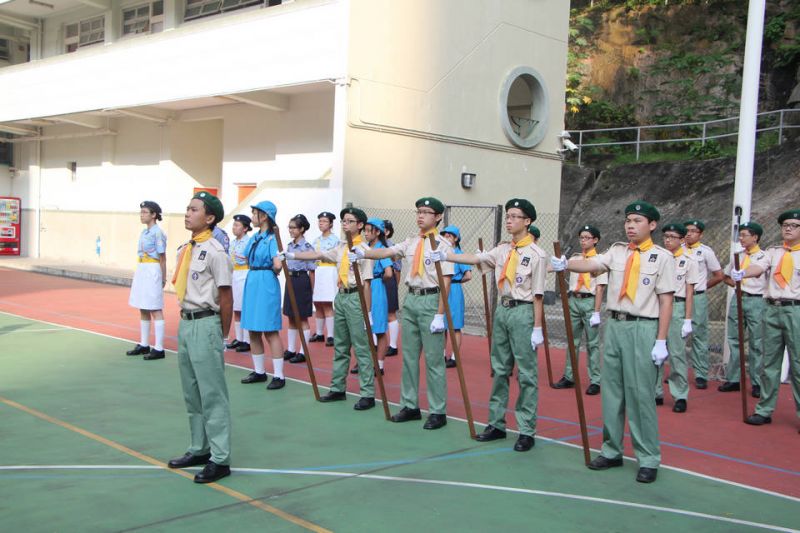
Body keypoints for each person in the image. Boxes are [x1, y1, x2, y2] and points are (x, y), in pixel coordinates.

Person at [551, 201, 674, 483]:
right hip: (615, 325)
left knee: (640, 394)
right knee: (613, 392)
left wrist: (661, 340)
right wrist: (566, 264)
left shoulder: (662, 257)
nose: (630, 225)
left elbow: (666, 301)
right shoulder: (617, 251)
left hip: (643, 326)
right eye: (628, 220)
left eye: (637, 221)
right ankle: (611, 450)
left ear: (652, 225)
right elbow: (592, 263)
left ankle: (648, 457)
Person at [429, 199, 545, 451]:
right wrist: (447, 255)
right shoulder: (503, 250)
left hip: (523, 311)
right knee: (500, 369)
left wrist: (537, 328)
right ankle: (496, 423)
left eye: (515, 216)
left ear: (527, 221)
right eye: (508, 216)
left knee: (526, 374)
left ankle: (526, 430)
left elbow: (538, 295)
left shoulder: (537, 255)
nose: (509, 220)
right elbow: (475, 258)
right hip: (502, 309)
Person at [357, 197, 454, 430]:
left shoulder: (443, 246)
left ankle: (437, 410)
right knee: (409, 357)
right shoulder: (411, 241)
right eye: (418, 211)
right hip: (411, 299)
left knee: (433, 360)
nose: (421, 216)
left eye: (426, 212)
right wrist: (362, 253)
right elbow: (387, 251)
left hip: (431, 299)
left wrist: (440, 314)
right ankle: (410, 405)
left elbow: (446, 281)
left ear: (438, 217)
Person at [167, 191, 233, 484]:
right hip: (186, 322)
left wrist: (222, 335)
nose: (187, 213)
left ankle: (220, 458)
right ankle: (199, 448)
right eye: (187, 208)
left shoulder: (216, 252)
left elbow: (226, 297)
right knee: (191, 392)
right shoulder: (187, 248)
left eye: (194, 209)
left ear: (209, 218)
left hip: (206, 323)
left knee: (212, 394)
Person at [283, 207, 377, 410]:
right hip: (341, 296)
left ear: (360, 225)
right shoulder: (341, 246)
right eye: (344, 221)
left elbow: (367, 284)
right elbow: (320, 254)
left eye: (350, 221)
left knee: (361, 347)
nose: (345, 224)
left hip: (356, 297)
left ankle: (367, 393)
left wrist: (367, 313)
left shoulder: (364, 250)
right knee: (340, 346)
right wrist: (293, 255)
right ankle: (337, 388)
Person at [731, 209, 800, 431]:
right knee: (769, 363)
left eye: (794, 225)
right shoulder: (773, 251)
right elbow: (759, 267)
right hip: (771, 309)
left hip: (795, 310)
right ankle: (764, 410)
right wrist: (743, 273)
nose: (788, 228)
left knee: (798, 364)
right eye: (785, 225)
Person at [553, 224, 607, 395]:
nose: (583, 241)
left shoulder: (600, 260)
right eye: (581, 238)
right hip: (574, 300)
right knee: (572, 340)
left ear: (595, 240)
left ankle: (595, 380)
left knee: (592, 343)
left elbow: (600, 288)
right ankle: (570, 376)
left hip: (589, 301)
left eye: (587, 238)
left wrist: (596, 312)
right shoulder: (575, 258)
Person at [239, 200, 286, 390]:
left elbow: (278, 265)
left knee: (270, 330)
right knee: (253, 329)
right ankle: (259, 371)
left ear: (264, 216)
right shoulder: (255, 237)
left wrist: (277, 263)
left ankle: (279, 375)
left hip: (266, 280)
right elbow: (245, 256)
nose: (252, 217)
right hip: (253, 279)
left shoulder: (273, 238)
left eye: (254, 213)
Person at [719, 222, 767, 398]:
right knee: (734, 339)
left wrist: (745, 277)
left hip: (756, 300)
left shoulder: (764, 257)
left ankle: (757, 382)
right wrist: (736, 285)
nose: (741, 238)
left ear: (755, 237)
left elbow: (761, 273)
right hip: (739, 297)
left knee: (756, 341)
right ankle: (734, 378)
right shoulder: (737, 256)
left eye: (745, 235)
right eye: (740, 235)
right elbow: (725, 276)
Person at [655, 222, 698, 413]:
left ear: (681, 240)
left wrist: (687, 319)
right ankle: (655, 391)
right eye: (665, 236)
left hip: (677, 306)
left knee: (676, 353)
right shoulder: (658, 257)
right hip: (656, 305)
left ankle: (680, 394)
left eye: (672, 237)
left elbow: (689, 292)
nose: (668, 240)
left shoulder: (689, 261)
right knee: (654, 351)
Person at [683, 219, 724, 389]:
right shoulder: (677, 250)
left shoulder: (705, 252)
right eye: (687, 230)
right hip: (678, 297)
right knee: (676, 335)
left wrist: (702, 287)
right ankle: (677, 372)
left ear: (700, 234)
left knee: (699, 335)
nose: (689, 234)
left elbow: (719, 275)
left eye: (693, 231)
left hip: (696, 297)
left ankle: (700, 373)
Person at [126, 201, 167, 360]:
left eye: (145, 212)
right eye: (141, 212)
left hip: (152, 269)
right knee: (143, 307)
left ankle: (159, 348)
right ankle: (144, 344)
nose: (141, 215)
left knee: (155, 308)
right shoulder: (144, 232)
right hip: (142, 268)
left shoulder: (158, 233)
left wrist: (163, 277)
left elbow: (162, 257)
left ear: (154, 215)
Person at [283, 214, 316, 364]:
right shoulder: (290, 246)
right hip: (290, 279)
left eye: (294, 227)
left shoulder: (307, 248)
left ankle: (304, 352)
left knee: (302, 317)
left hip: (302, 280)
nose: (291, 230)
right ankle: (291, 349)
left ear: (302, 229)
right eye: (289, 227)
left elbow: (312, 271)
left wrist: (311, 290)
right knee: (291, 316)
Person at [363, 217, 393, 375]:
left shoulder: (382, 249)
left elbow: (389, 273)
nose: (366, 234)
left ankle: (379, 365)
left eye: (369, 231)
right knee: (364, 327)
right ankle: (366, 362)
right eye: (365, 230)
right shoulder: (364, 247)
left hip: (376, 286)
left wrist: (378, 280)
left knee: (379, 328)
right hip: (364, 286)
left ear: (378, 232)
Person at [440, 225, 472, 369]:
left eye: (449, 235)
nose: (446, 238)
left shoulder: (459, 254)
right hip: (442, 289)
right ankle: (441, 354)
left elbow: (468, 275)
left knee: (455, 326)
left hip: (454, 290)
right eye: (444, 235)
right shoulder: (441, 253)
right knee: (441, 325)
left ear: (456, 238)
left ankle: (454, 357)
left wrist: (456, 282)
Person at [310, 212, 339, 347]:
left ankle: (331, 335)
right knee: (317, 303)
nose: (321, 223)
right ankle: (320, 333)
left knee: (327, 303)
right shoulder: (316, 240)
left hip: (329, 271)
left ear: (331, 224)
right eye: (320, 221)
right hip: (318, 271)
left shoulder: (336, 240)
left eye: (324, 221)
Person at [226, 214, 252, 353]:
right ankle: (239, 338)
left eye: (237, 225)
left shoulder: (249, 242)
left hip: (244, 273)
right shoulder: (233, 242)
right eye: (234, 225)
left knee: (244, 307)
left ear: (245, 228)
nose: (234, 228)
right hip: (234, 273)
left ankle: (247, 340)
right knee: (236, 308)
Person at [384, 219, 401, 356]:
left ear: (387, 232)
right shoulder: (371, 246)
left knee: (390, 313)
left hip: (389, 281)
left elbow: (397, 270)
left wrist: (395, 286)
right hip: (374, 282)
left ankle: (393, 345)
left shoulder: (393, 248)